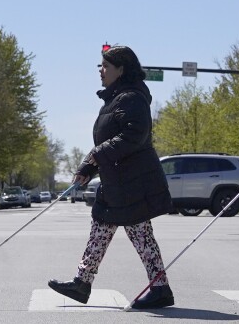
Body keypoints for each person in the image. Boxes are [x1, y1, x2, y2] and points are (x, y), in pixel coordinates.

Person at [48, 45, 175, 310]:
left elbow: (133, 136)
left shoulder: (132, 98)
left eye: (106, 66)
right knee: (100, 231)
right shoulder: (115, 99)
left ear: (121, 69)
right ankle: (82, 283)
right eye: (100, 66)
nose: (101, 71)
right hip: (117, 183)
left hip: (133, 183)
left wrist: (97, 154)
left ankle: (160, 288)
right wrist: (86, 168)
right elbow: (107, 144)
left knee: (141, 236)